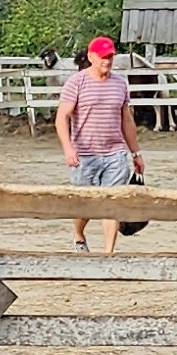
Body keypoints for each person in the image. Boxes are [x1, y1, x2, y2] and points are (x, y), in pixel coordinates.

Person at [55, 34, 139, 253]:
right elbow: (62, 116)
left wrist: (136, 153)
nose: (107, 61)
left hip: (115, 153)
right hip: (85, 153)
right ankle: (79, 234)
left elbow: (126, 120)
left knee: (112, 203)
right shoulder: (77, 82)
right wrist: (68, 148)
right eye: (103, 57)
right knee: (84, 204)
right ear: (91, 57)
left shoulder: (120, 84)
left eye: (110, 56)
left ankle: (108, 253)